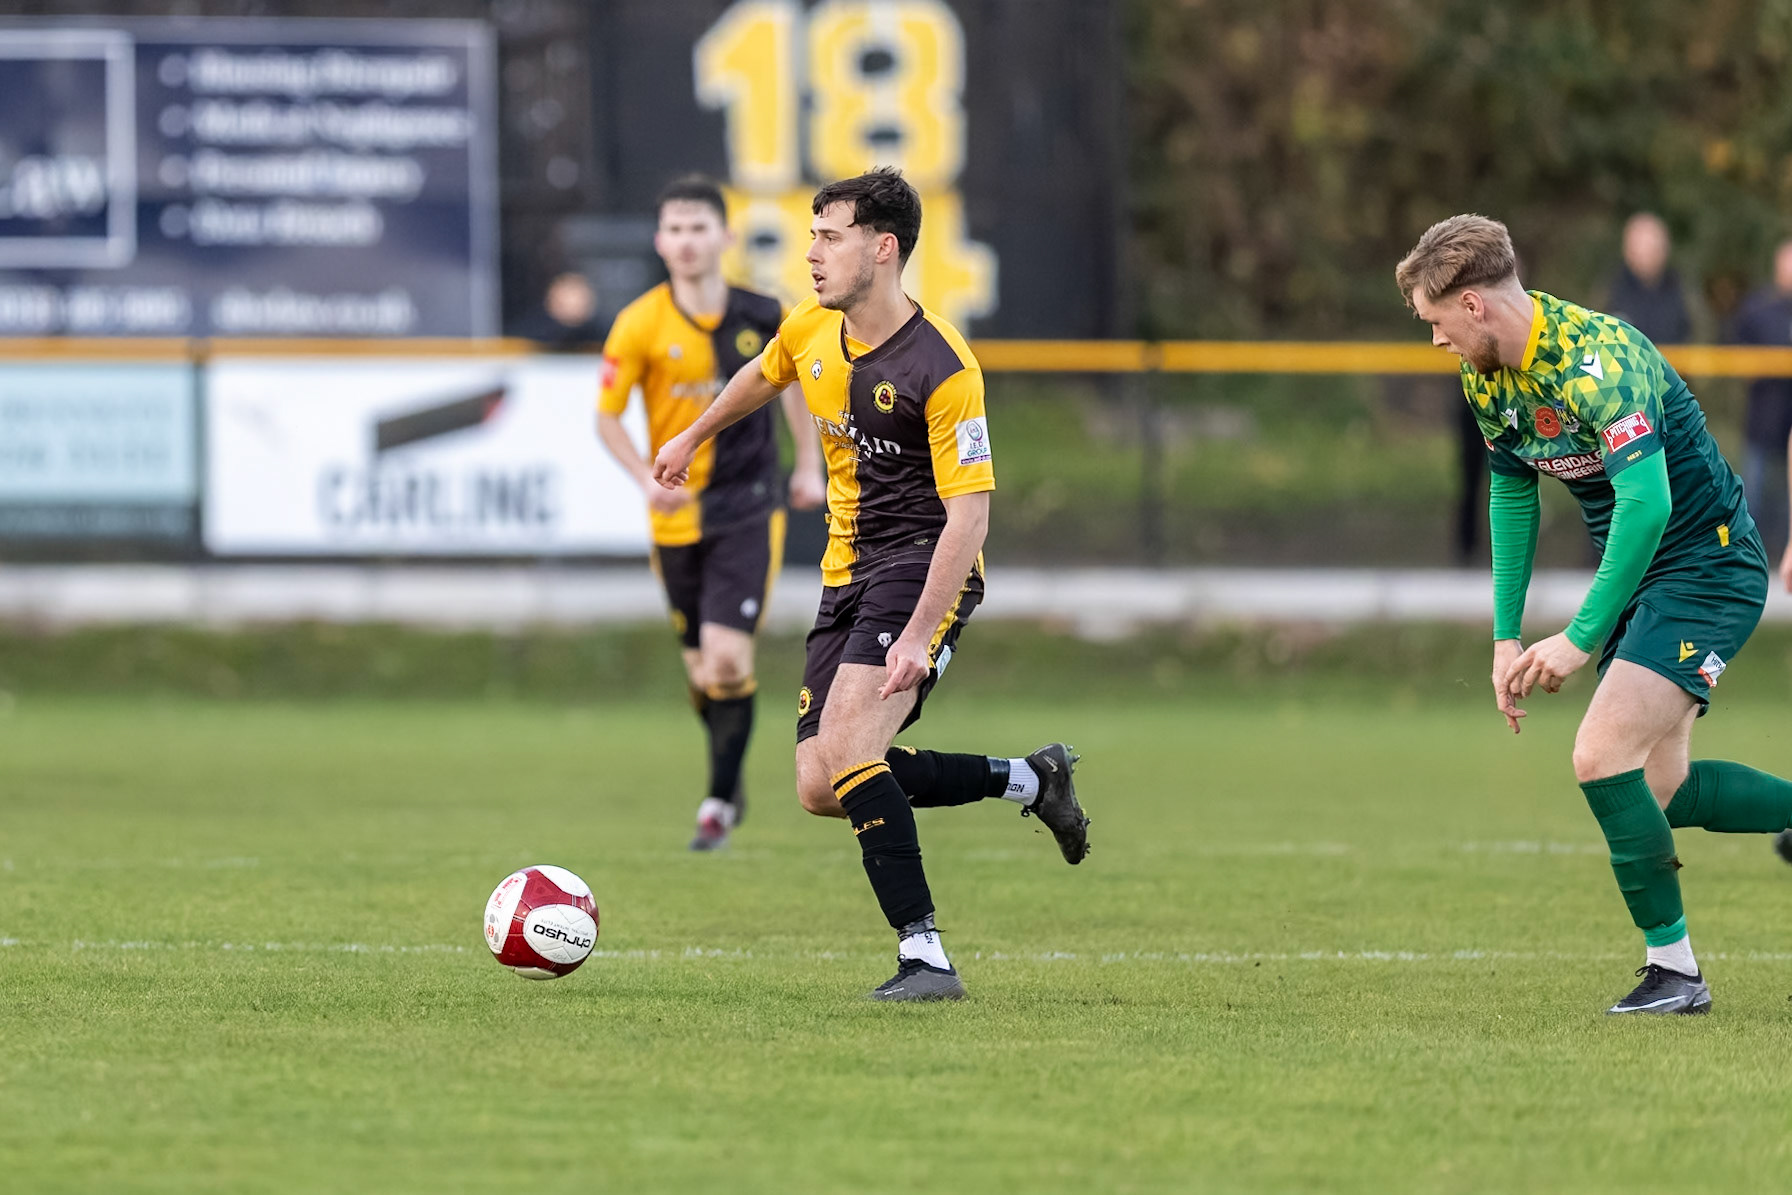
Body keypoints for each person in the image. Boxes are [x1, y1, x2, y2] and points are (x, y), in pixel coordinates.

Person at [651, 168, 1091, 1002]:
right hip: (845, 574)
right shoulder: (814, 327)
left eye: (830, 236)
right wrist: (694, 433)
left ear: (882, 249)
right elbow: (765, 373)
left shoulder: (943, 366)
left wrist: (923, 637)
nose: (812, 252)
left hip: (925, 570)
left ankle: (925, 955)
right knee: (823, 784)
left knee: (854, 749)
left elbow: (969, 520)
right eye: (812, 234)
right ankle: (1032, 779)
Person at [1397, 214, 1792, 1016]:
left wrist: (1579, 639)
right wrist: (1506, 633)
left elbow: (1647, 508)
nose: (1433, 340)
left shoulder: (1596, 362)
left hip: (1707, 566)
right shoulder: (1487, 373)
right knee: (1664, 788)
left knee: (1600, 752)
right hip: (1644, 575)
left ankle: (1676, 973)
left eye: (1435, 322)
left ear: (1473, 305)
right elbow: (1512, 488)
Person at [597, 175, 826, 850]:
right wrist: (645, 478)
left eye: (700, 227)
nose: (687, 240)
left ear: (723, 237)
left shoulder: (764, 311)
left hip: (748, 504)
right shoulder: (638, 323)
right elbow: (606, 419)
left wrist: (805, 466)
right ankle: (729, 774)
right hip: (675, 515)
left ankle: (719, 802)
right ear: (659, 241)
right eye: (675, 228)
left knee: (727, 659)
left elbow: (794, 388)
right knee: (702, 672)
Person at [1728, 239, 1792, 575]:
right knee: (1752, 495)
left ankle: (1783, 560)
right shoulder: (1758, 308)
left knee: (1786, 504)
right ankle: (1747, 564)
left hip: (1789, 426)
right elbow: (1738, 356)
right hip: (1763, 422)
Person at [1605, 212, 1691, 346]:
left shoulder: (1684, 291)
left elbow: (1701, 337)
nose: (1645, 254)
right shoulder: (1610, 291)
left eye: (1652, 247)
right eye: (1639, 246)